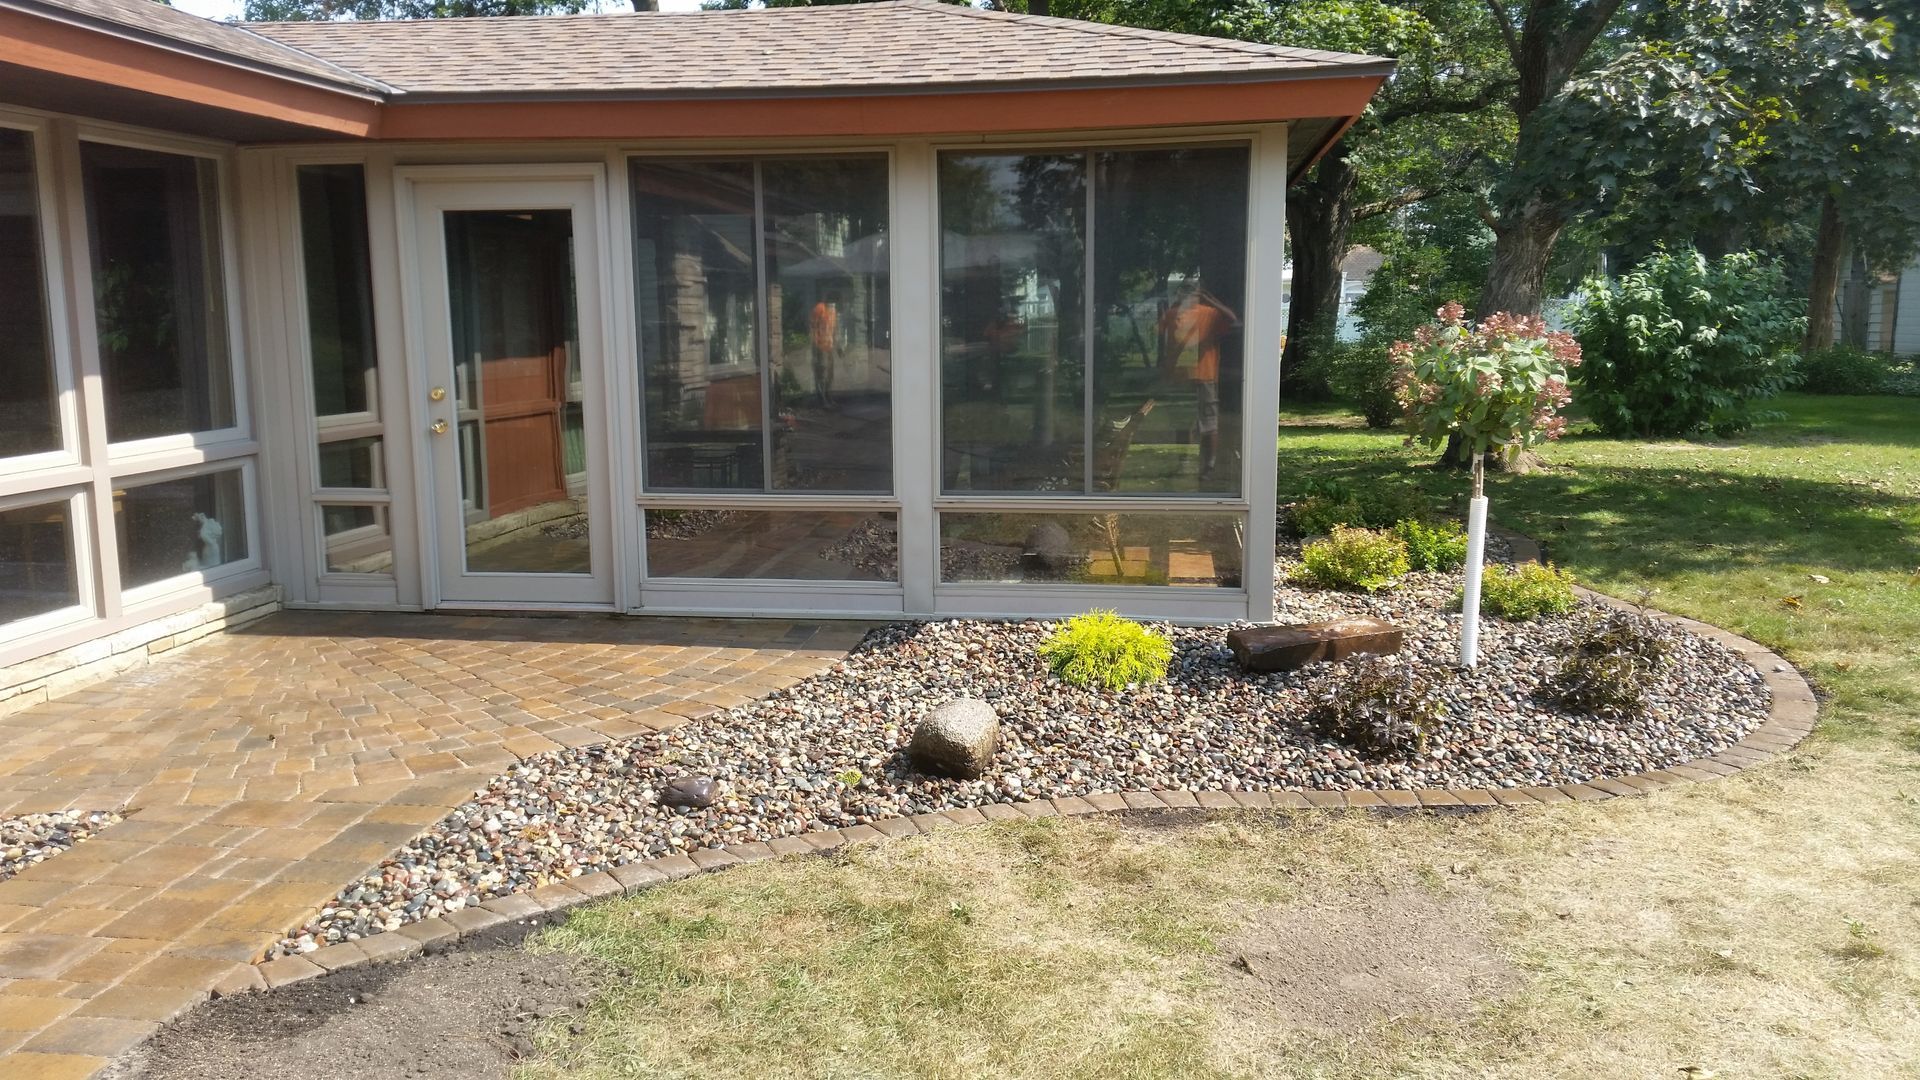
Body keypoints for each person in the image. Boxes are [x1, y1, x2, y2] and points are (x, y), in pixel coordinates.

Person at [1157, 281, 1239, 483]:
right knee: (1182, 423)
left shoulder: (1208, 312)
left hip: (1204, 376)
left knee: (1208, 424)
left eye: (1192, 291)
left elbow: (1233, 320)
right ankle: (1183, 463)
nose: (1188, 295)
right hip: (1180, 377)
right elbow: (1161, 333)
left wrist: (1211, 299)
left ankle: (1208, 466)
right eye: (1184, 291)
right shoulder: (1173, 313)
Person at [809, 291, 841, 408]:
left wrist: (838, 347)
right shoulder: (819, 308)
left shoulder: (833, 310)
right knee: (821, 373)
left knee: (830, 374)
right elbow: (812, 328)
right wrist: (816, 347)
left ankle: (828, 397)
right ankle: (822, 400)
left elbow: (834, 330)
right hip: (820, 346)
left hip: (829, 346)